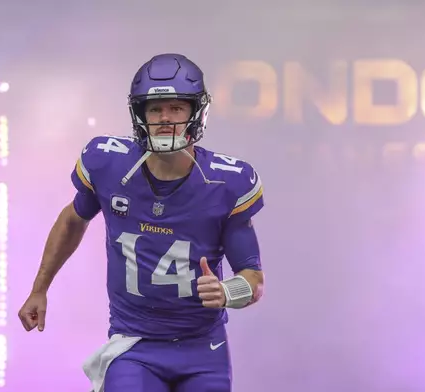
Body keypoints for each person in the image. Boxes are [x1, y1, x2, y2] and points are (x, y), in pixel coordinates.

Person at [17, 53, 265, 392]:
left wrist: (226, 291)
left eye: (176, 108)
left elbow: (254, 279)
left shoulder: (226, 183)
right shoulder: (109, 163)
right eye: (155, 109)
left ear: (197, 113)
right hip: (134, 344)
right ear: (139, 114)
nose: (165, 119)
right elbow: (74, 219)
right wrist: (39, 289)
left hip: (203, 349)